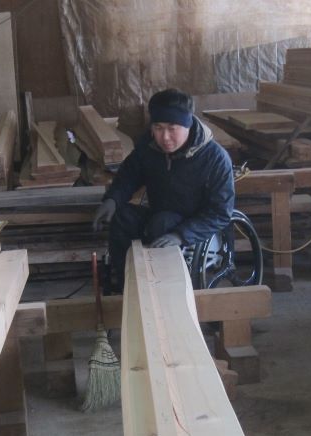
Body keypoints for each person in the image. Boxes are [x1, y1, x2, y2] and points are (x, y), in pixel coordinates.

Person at [92, 88, 235, 292]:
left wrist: (181, 235)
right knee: (123, 217)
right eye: (158, 128)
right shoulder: (149, 148)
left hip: (197, 226)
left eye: (172, 128)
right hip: (159, 215)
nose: (165, 137)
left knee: (163, 223)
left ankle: (164, 293)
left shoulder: (215, 159)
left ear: (188, 125)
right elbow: (129, 175)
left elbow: (220, 213)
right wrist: (112, 200)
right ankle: (128, 287)